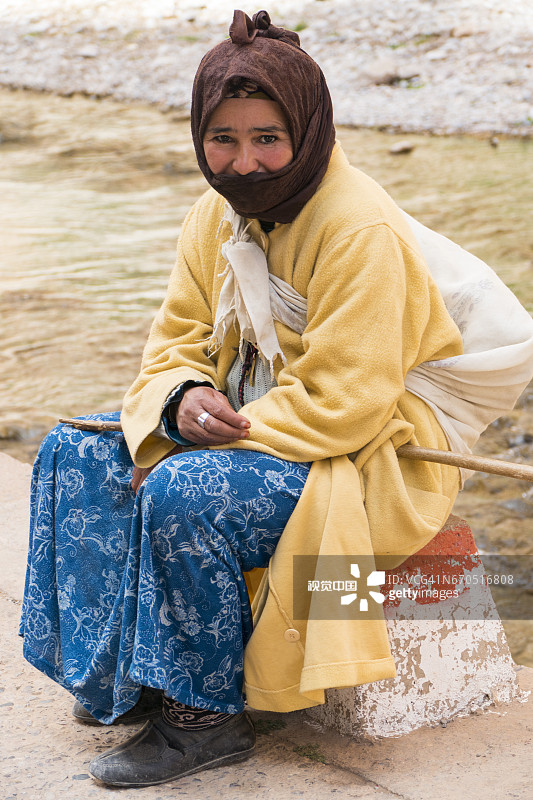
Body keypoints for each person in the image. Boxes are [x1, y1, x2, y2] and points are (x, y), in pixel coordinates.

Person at [20, 9, 466, 788]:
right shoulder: (212, 216)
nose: (244, 161)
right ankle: (126, 678)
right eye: (222, 138)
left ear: (309, 130)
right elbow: (172, 343)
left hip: (355, 451)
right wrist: (181, 398)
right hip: (238, 420)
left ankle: (206, 716)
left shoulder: (358, 229)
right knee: (71, 452)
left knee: (185, 492)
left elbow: (347, 399)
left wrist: (197, 440)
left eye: (267, 137)